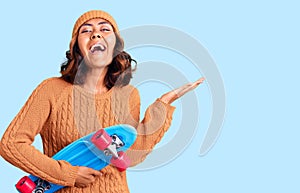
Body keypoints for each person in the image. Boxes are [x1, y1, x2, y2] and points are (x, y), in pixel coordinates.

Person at [0, 10, 205, 193]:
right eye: (86, 31)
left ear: (115, 46)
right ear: (77, 48)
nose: (96, 34)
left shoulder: (127, 94)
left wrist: (164, 103)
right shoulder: (51, 90)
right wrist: (67, 174)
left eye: (105, 29)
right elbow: (11, 144)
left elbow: (131, 155)